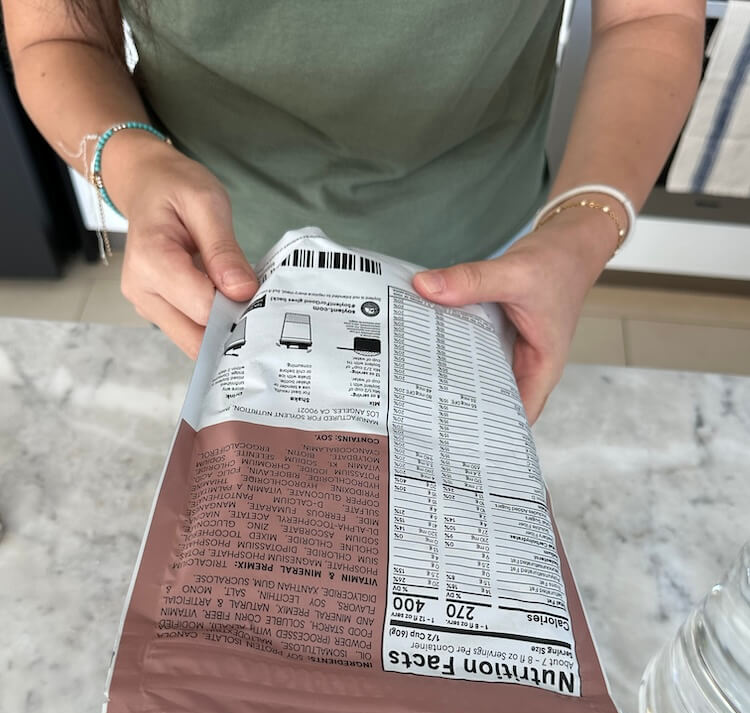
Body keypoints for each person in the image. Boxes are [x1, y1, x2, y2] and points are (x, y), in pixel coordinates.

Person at [3, 0, 704, 421]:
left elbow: (651, 17)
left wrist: (583, 229)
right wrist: (136, 168)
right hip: (219, 259)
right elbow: (59, 35)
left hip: (486, 240)